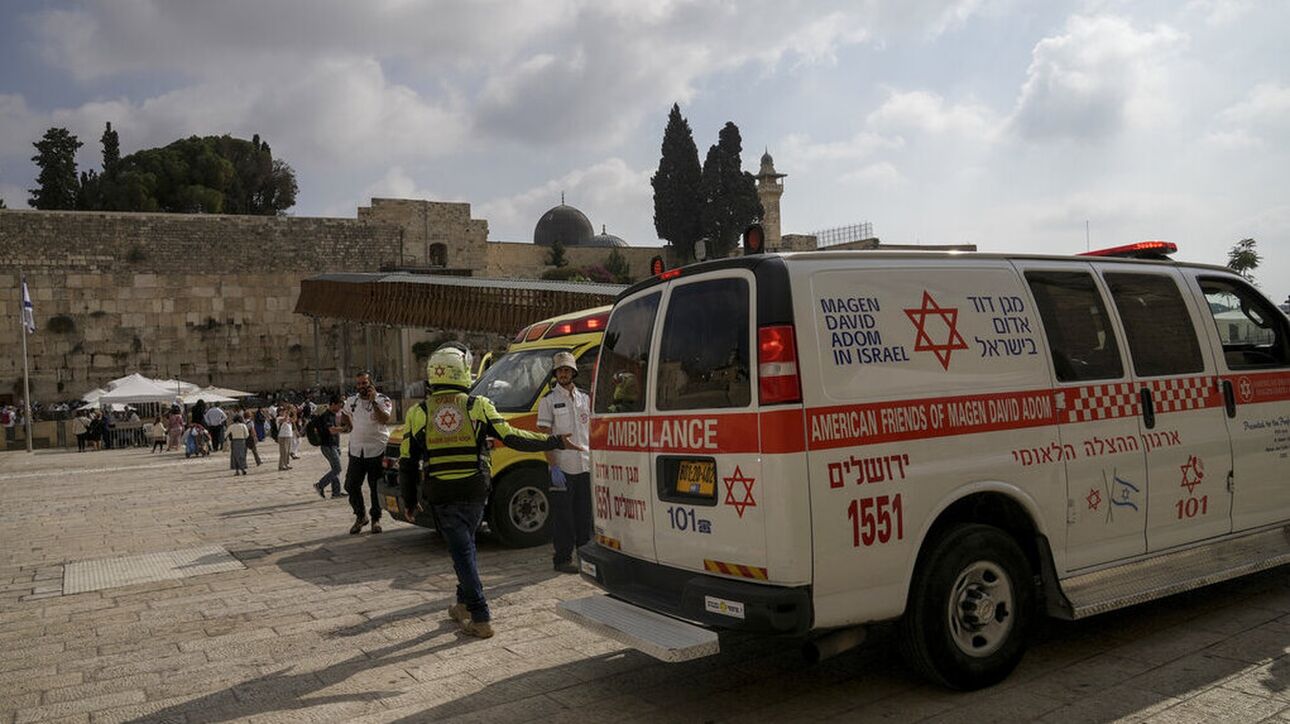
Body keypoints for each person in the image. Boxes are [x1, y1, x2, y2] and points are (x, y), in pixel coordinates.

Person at [398, 343, 579, 639]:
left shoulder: (419, 412)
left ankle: (480, 616)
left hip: (441, 492)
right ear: (462, 372)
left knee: (462, 550)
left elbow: (407, 462)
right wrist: (554, 441)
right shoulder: (477, 405)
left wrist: (408, 500)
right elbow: (512, 436)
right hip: (475, 489)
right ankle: (462, 605)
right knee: (465, 545)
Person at [537, 351, 593, 574]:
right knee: (563, 518)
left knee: (584, 515)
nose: (563, 374)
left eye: (567, 370)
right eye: (560, 370)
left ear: (573, 372)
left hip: (585, 465)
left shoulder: (585, 398)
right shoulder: (548, 400)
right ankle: (562, 559)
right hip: (562, 467)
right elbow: (545, 437)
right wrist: (553, 466)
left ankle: (585, 556)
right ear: (555, 373)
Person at [338, 372, 393, 534]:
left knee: (375, 486)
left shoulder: (382, 400)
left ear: (371, 384)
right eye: (359, 384)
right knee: (350, 485)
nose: (361, 386)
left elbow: (384, 419)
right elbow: (344, 413)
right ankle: (361, 515)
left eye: (364, 383)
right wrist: (349, 426)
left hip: (377, 449)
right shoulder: (352, 400)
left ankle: (376, 519)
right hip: (357, 450)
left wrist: (373, 401)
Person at [312, 396, 344, 498]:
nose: (340, 408)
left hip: (334, 445)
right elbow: (331, 430)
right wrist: (344, 428)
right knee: (337, 468)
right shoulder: (327, 416)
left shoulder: (332, 415)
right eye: (339, 406)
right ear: (333, 404)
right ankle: (320, 485)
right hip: (328, 446)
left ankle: (336, 492)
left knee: (334, 469)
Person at [275, 406, 295, 470]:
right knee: (284, 451)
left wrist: (293, 412)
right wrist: (288, 412)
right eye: (282, 411)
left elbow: (294, 420)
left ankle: (286, 464)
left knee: (287, 451)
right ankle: (282, 465)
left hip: (289, 436)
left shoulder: (287, 417)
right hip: (282, 436)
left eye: (284, 411)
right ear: (279, 412)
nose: (284, 412)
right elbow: (284, 420)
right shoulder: (278, 418)